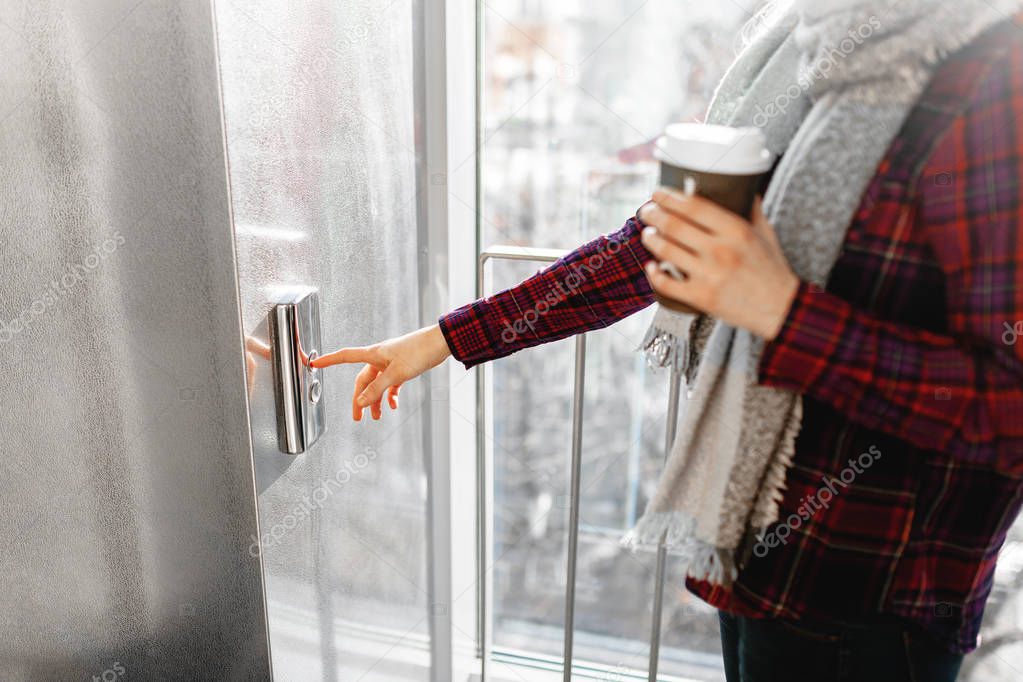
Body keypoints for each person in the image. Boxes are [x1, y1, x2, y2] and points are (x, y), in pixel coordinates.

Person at [312, 2, 1023, 680]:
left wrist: (782, 310)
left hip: (868, 600)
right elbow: (657, 247)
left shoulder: (994, 78)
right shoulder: (805, 44)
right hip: (749, 554)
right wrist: (444, 338)